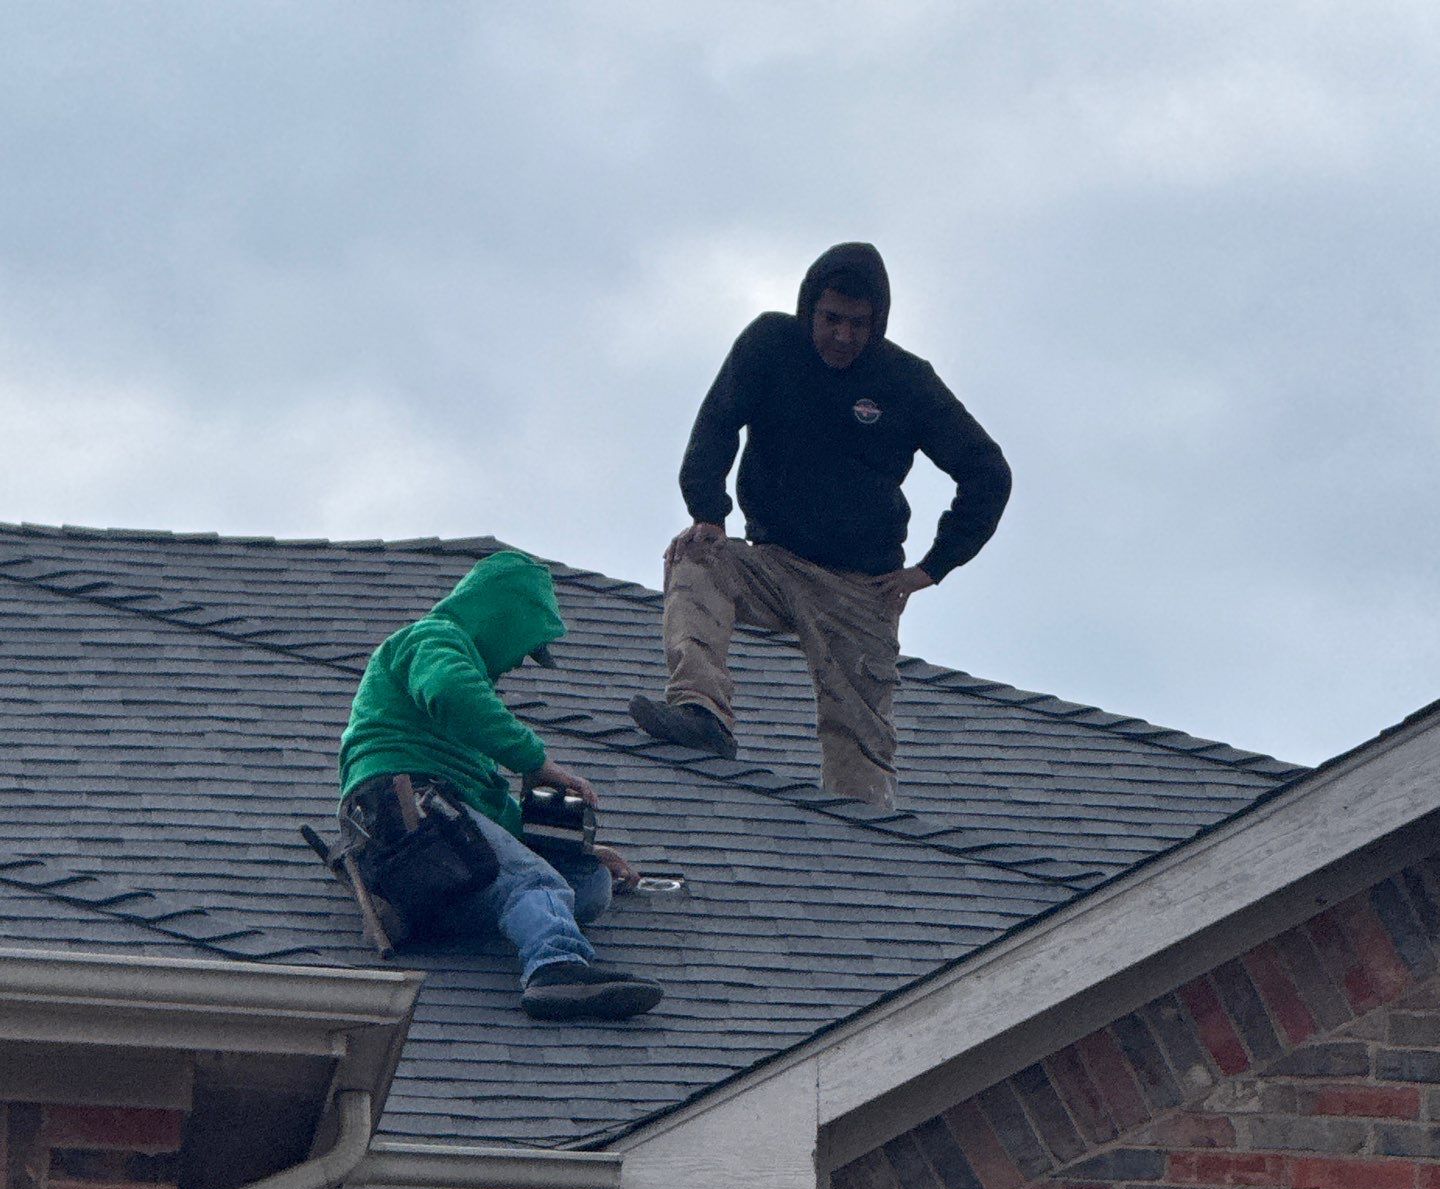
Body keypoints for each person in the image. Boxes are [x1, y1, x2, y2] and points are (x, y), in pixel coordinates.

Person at [630, 242, 1012, 809]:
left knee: (861, 753)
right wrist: (707, 512)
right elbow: (716, 422)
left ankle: (861, 836)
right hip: (773, 561)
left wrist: (932, 567)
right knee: (696, 556)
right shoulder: (770, 345)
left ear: (877, 323)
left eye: (858, 324)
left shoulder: (905, 381)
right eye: (831, 318)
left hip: (860, 587)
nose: (842, 335)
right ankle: (701, 711)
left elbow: (988, 472)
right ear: (809, 308)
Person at [338, 550, 663, 1021]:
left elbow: (483, 813)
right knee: (534, 880)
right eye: (523, 647)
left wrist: (580, 849)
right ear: (501, 619)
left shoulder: (460, 741)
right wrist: (536, 762)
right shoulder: (432, 638)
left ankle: (424, 913)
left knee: (587, 883)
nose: (517, 664)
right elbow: (450, 690)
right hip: (402, 810)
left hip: (433, 837)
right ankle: (555, 968)